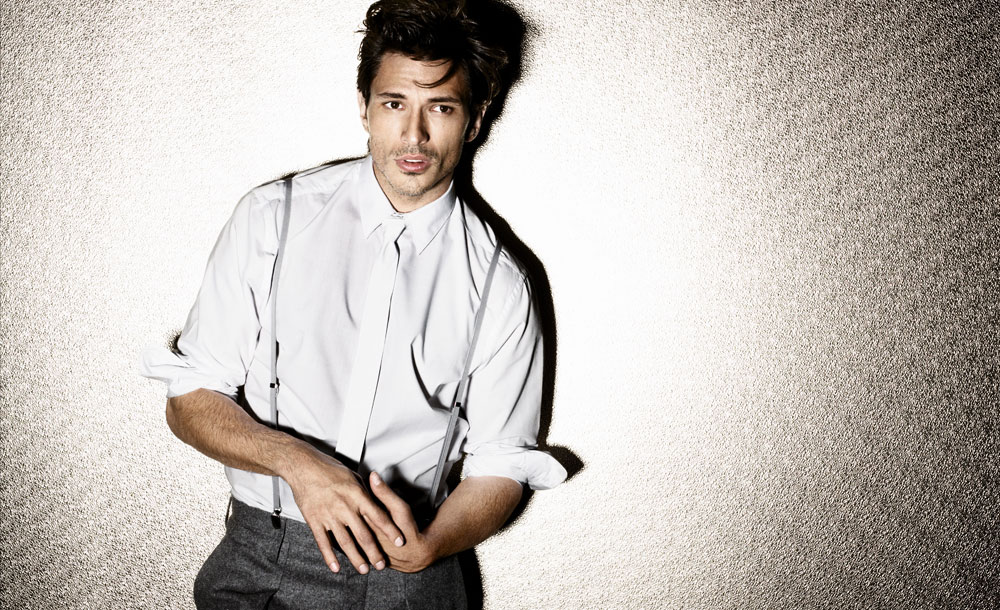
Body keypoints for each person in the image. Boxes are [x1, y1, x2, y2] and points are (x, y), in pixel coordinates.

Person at [140, 0, 565, 608]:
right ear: (364, 106)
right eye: (394, 104)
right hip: (266, 556)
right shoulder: (273, 218)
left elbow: (502, 465)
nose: (414, 135)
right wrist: (298, 463)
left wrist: (432, 544)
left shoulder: (501, 281)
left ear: (474, 120)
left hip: (413, 571)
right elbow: (190, 401)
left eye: (440, 107)